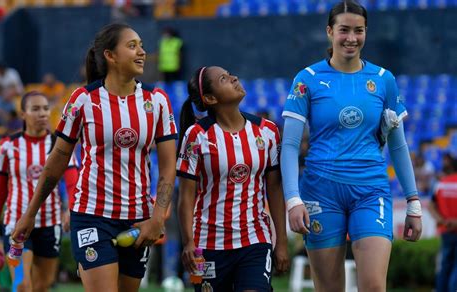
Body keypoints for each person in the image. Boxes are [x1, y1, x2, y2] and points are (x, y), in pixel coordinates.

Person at [11, 23, 177, 292]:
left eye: (142, 45)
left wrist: (158, 218)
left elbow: (169, 165)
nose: (142, 52)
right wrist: (30, 214)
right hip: (91, 216)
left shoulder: (157, 100)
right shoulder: (82, 100)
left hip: (138, 219)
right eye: (132, 46)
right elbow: (57, 160)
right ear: (110, 56)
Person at [280, 1, 422, 291]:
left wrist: (413, 201)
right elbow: (290, 145)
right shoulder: (307, 79)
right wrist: (293, 199)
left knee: (373, 286)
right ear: (330, 31)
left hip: (370, 191)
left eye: (359, 30)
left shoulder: (384, 80)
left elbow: (398, 146)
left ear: (366, 32)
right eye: (344, 30)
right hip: (321, 192)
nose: (351, 38)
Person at [177, 66, 290, 291]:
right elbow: (186, 197)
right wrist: (188, 241)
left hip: (255, 240)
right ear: (210, 98)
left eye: (230, 75)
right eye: (224, 79)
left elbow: (275, 189)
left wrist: (282, 242)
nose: (234, 78)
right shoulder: (196, 135)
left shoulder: (267, 131)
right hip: (207, 244)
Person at [0, 91, 79, 292]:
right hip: (16, 226)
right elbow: (0, 193)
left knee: (41, 287)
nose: (42, 113)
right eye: (35, 109)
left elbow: (72, 182)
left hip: (50, 224)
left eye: (45, 108)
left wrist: (71, 207)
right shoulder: (8, 146)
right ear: (23, 115)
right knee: (22, 286)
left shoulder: (60, 145)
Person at [428, 151, 457, 292]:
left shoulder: (440, 184)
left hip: (446, 231)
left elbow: (431, 205)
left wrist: (443, 221)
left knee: (445, 265)